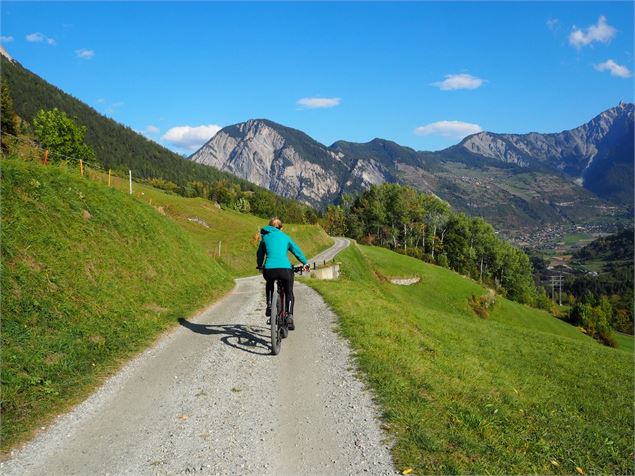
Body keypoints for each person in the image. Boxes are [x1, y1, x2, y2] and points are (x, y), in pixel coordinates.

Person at [256, 217, 310, 330]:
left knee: (269, 283)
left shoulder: (265, 238)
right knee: (289, 291)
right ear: (282, 228)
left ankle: (270, 305)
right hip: (285, 270)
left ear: (269, 227)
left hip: (269, 270)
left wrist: (260, 265)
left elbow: (260, 254)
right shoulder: (286, 237)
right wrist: (305, 263)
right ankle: (289, 316)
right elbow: (296, 251)